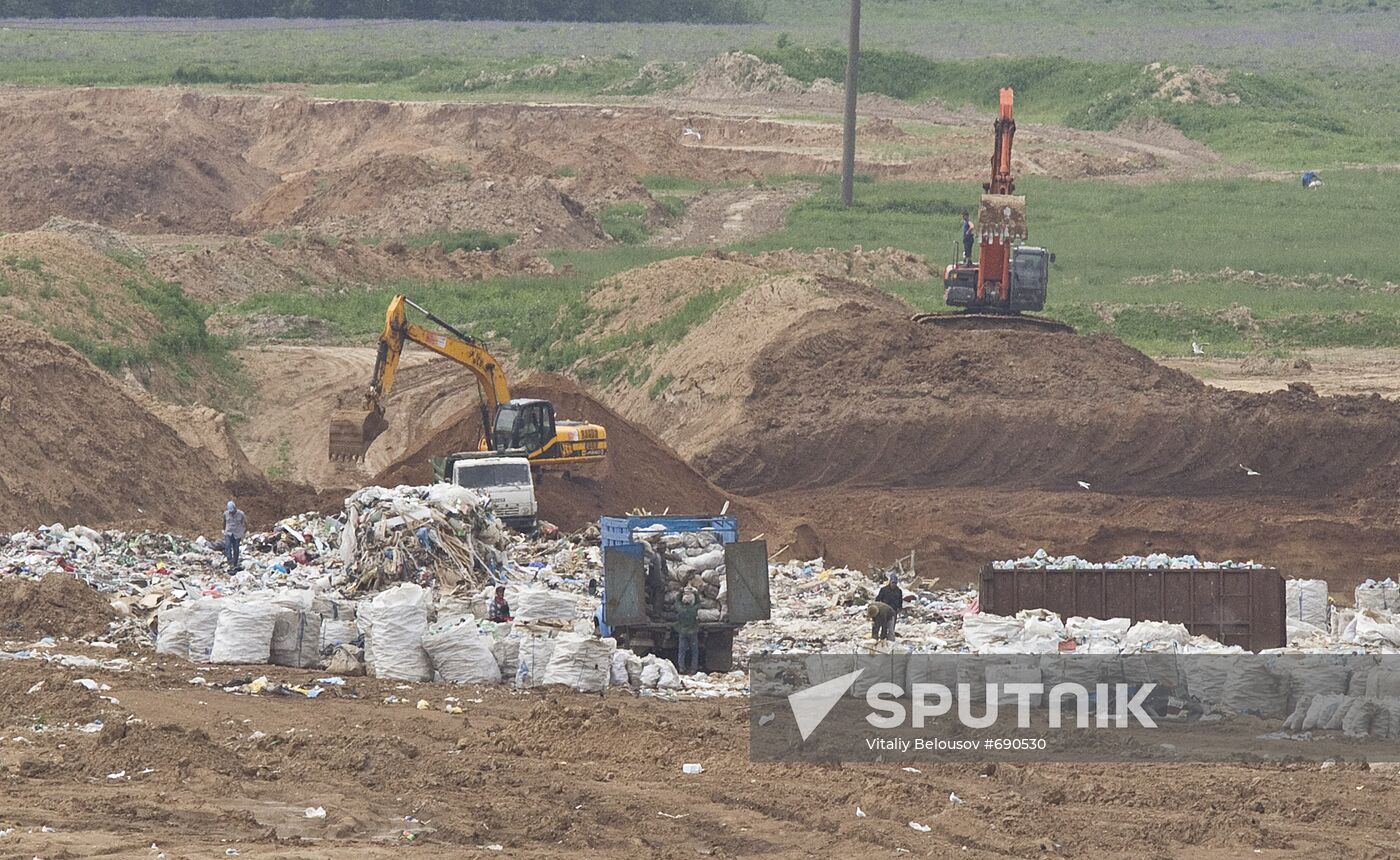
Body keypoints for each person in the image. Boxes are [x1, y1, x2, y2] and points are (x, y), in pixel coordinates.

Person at [673, 587, 701, 675]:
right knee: (694, 651)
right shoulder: (694, 610)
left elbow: (677, 602)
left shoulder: (680, 609)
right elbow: (698, 603)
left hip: (682, 632)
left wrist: (680, 592)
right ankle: (693, 669)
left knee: (681, 651)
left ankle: (681, 667)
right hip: (693, 633)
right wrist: (696, 594)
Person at [875, 572, 904, 640]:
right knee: (883, 626)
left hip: (893, 611)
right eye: (892, 582)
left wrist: (900, 608)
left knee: (891, 627)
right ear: (890, 582)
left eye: (895, 583)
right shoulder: (884, 590)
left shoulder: (899, 591)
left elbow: (900, 600)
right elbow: (878, 599)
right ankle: (882, 638)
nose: (893, 584)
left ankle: (889, 640)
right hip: (884, 611)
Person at [222, 500, 247, 574]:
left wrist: (243, 532)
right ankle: (230, 562)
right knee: (228, 547)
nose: (232, 513)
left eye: (233, 511)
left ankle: (235, 563)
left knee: (236, 548)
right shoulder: (226, 514)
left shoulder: (241, 514)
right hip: (228, 533)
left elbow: (245, 523)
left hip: (237, 534)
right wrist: (224, 530)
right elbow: (224, 523)